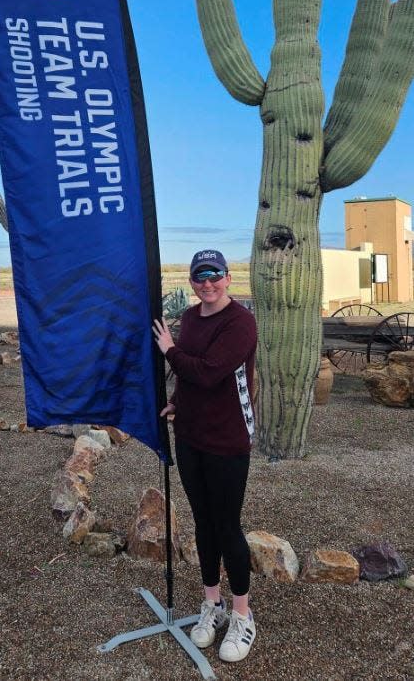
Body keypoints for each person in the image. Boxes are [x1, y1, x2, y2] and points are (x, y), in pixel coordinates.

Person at [152, 249, 257, 663]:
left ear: (228, 278)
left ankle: (242, 615)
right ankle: (211, 604)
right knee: (202, 523)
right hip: (191, 435)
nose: (207, 283)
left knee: (227, 525)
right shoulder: (193, 318)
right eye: (200, 277)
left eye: (215, 275)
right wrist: (176, 402)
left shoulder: (241, 323)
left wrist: (168, 349)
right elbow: (189, 376)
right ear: (192, 281)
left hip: (228, 438)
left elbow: (210, 371)